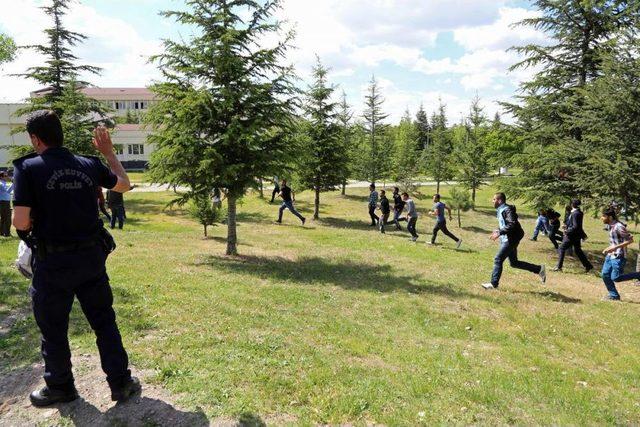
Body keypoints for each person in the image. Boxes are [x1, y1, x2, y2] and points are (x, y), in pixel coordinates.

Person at [12, 111, 140, 407]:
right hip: (91, 259)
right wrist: (108, 152)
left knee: (53, 327)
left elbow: (20, 222)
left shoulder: (28, 168)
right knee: (104, 321)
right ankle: (120, 383)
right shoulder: (89, 164)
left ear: (35, 139)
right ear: (61, 135)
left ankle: (60, 386)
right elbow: (123, 184)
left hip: (52, 262)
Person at [482, 193, 546, 290]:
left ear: (499, 200)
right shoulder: (501, 210)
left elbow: (512, 224)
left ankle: (493, 284)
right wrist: (498, 230)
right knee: (514, 263)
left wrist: (500, 232)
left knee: (498, 259)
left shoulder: (507, 209)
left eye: (494, 199)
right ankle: (539, 269)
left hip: (511, 239)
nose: (492, 201)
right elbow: (506, 223)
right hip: (509, 238)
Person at [599, 207, 634, 301]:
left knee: (616, 277)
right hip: (611, 255)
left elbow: (630, 240)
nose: (601, 218)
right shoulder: (611, 225)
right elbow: (615, 241)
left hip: (619, 256)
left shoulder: (619, 226)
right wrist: (609, 248)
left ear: (610, 217)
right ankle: (614, 295)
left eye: (603, 216)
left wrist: (614, 248)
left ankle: (638, 275)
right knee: (605, 274)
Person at [553, 199, 593, 273]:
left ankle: (559, 267)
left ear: (572, 204)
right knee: (578, 250)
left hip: (571, 235)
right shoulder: (578, 212)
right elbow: (575, 225)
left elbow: (576, 226)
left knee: (561, 248)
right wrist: (566, 225)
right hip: (576, 235)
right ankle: (588, 266)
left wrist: (567, 230)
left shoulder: (575, 213)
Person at [0, 171, 14, 237]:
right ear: (1, 177)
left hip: (5, 202)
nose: (7, 177)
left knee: (3, 218)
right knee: (7, 218)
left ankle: (2, 232)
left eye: (7, 175)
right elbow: (8, 191)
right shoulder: (1, 183)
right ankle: (7, 233)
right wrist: (14, 183)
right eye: (5, 176)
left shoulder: (4, 183)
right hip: (4, 203)